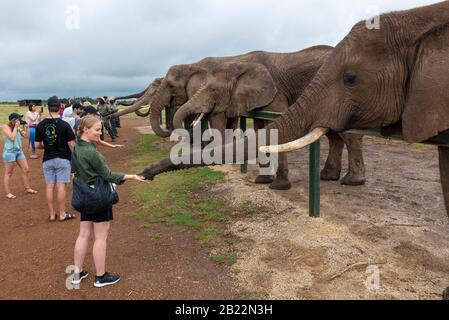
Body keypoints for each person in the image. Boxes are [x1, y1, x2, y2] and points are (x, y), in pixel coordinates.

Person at [71, 115, 147, 287]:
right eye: (97, 130)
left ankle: (77, 273)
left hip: (84, 196)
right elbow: (108, 175)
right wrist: (133, 176)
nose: (100, 133)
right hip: (98, 197)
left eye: (101, 129)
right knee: (100, 237)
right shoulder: (91, 152)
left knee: (83, 234)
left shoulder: (77, 148)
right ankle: (100, 276)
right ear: (85, 129)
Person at [35, 96, 77, 222]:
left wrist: (48, 146)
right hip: (63, 159)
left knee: (49, 186)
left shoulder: (41, 125)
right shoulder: (65, 125)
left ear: (47, 107)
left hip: (48, 159)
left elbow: (37, 145)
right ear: (60, 108)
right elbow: (72, 145)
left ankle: (52, 214)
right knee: (61, 186)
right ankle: (62, 214)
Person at [2, 113, 38, 199]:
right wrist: (16, 128)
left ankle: (27, 188)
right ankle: (8, 193)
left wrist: (27, 128)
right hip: (9, 152)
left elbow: (27, 136)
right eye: (17, 119)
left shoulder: (17, 127)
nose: (19, 121)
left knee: (26, 169)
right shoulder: (5, 127)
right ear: (13, 120)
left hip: (19, 151)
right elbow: (12, 137)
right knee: (9, 173)